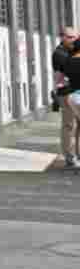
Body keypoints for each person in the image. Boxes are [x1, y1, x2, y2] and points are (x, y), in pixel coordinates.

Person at [52, 28, 79, 168]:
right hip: (67, 93)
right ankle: (70, 157)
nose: (73, 39)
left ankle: (75, 155)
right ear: (62, 37)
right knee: (69, 125)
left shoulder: (71, 51)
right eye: (70, 37)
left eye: (75, 37)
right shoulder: (60, 53)